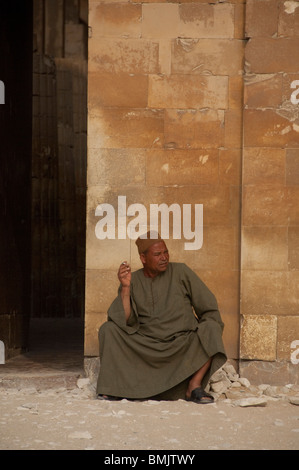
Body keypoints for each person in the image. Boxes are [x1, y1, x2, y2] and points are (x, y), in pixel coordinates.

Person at [96, 231, 227, 404]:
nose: (164, 257)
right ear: (143, 258)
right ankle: (115, 387)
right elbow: (124, 321)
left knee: (212, 326)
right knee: (109, 329)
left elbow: (208, 309)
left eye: (165, 252)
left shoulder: (181, 272)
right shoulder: (133, 279)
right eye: (157, 254)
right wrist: (126, 287)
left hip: (182, 344)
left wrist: (206, 327)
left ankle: (193, 386)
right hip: (146, 346)